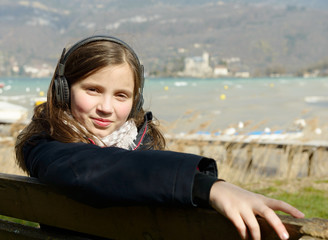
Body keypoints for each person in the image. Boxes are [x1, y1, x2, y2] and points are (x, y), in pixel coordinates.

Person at [15, 35, 304, 240]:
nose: (106, 107)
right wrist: (207, 187)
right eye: (92, 89)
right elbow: (95, 169)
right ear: (63, 90)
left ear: (136, 102)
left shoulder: (143, 145)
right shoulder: (46, 147)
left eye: (121, 95)